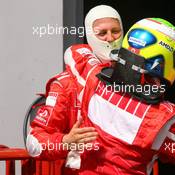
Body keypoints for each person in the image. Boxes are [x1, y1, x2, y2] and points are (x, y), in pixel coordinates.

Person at [57, 17, 175, 174]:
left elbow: (73, 51)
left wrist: (117, 59)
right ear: (162, 58)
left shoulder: (93, 76)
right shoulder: (165, 116)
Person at [26, 5, 123, 174]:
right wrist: (66, 141)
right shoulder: (65, 84)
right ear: (90, 36)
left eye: (115, 31)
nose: (110, 38)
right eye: (102, 33)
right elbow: (34, 142)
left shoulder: (138, 78)